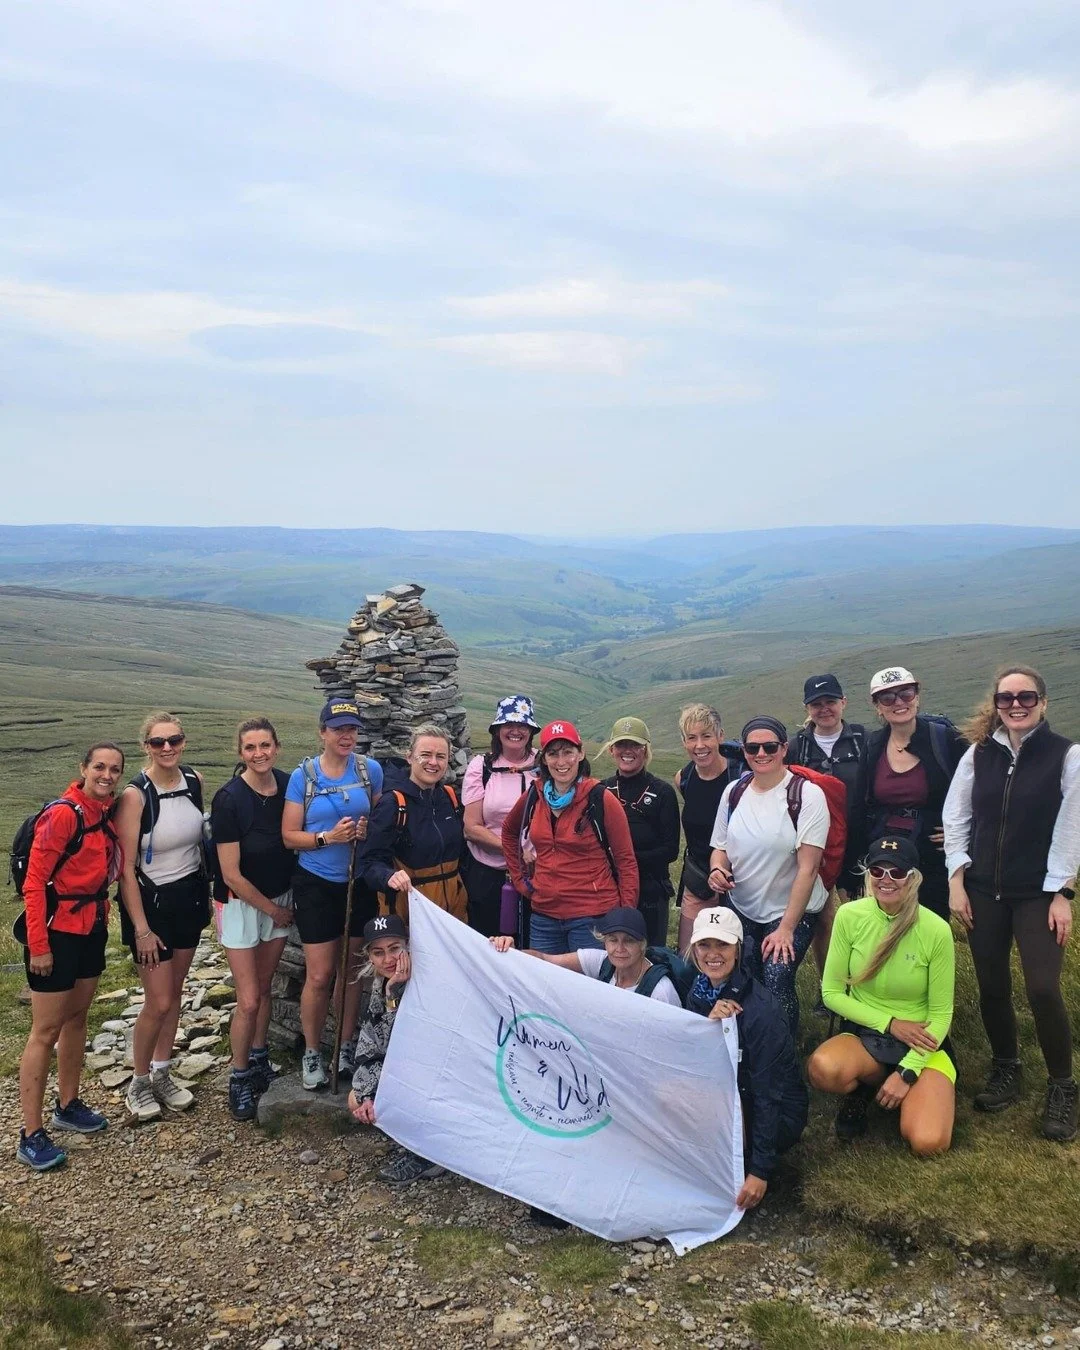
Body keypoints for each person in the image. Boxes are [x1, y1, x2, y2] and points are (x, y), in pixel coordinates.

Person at [944, 665, 1079, 1141]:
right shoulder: (979, 754)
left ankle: (1063, 1086)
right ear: (996, 704)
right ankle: (1007, 1067)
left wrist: (1062, 892)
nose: (1016, 705)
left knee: (1042, 988)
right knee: (992, 985)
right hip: (983, 889)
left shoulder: (1067, 755)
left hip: (1037, 893)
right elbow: (956, 816)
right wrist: (957, 879)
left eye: (1026, 697)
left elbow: (1071, 828)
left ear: (1042, 701)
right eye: (1006, 698)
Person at [808, 836, 956, 1154]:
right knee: (823, 1068)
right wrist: (890, 1023)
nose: (886, 880)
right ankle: (865, 1087)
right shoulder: (849, 916)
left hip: (923, 1043)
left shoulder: (936, 930)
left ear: (913, 878)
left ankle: (907, 1087)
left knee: (928, 1142)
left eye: (897, 872)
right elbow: (831, 993)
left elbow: (942, 1014)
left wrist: (908, 1071)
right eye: (877, 871)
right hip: (868, 1036)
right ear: (868, 875)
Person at [15, 742, 125, 1169]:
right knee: (45, 1031)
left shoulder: (104, 812)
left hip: (91, 927)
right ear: (83, 768)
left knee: (77, 1018)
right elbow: (34, 883)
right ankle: (30, 1134)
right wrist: (39, 946)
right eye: (99, 767)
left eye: (114, 769)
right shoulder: (64, 815)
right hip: (56, 933)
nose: (107, 775)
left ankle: (68, 1105)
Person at [282, 698, 384, 1091]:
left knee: (352, 972)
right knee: (321, 974)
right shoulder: (303, 776)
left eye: (352, 729)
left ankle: (344, 1046)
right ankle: (312, 1052)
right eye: (338, 729)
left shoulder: (369, 770)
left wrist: (366, 832)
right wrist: (329, 837)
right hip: (317, 883)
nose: (346, 736)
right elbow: (289, 836)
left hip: (358, 882)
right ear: (322, 732)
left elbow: (379, 822)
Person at [707, 716, 829, 1036]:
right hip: (743, 903)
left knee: (777, 975)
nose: (761, 754)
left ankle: (782, 1048)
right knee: (745, 974)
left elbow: (809, 868)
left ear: (784, 748)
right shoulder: (734, 792)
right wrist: (717, 869)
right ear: (744, 751)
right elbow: (720, 847)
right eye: (752, 748)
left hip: (790, 908)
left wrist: (786, 929)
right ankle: (748, 1040)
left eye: (770, 747)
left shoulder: (807, 795)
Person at [115, 712, 210, 1121]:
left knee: (176, 992)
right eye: (158, 742)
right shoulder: (135, 796)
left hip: (188, 898)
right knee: (159, 999)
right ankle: (138, 1081)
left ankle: (162, 1072)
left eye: (174, 740)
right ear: (146, 747)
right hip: (150, 907)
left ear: (183, 742)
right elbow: (125, 868)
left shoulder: (194, 781)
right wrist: (141, 930)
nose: (167, 748)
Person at [684, 907, 808, 1211]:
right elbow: (693, 1062)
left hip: (773, 1111)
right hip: (730, 1096)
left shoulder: (762, 1011)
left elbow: (769, 1092)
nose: (713, 954)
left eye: (722, 944)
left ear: (738, 950)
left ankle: (746, 1158)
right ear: (694, 949)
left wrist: (760, 1171)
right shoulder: (698, 992)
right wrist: (709, 1028)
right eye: (704, 944)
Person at [211, 718, 296, 1121]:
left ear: (276, 747)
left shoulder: (288, 785)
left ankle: (260, 1057)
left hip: (280, 896)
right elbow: (230, 873)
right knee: (247, 998)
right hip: (241, 904)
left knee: (264, 987)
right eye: (250, 747)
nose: (259, 754)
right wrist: (274, 910)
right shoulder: (229, 799)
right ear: (240, 752)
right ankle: (239, 1075)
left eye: (265, 745)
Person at [502, 720, 638, 954]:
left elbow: (626, 861)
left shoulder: (601, 798)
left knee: (589, 979)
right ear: (544, 759)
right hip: (544, 917)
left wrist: (625, 918)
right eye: (553, 754)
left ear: (581, 753)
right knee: (543, 977)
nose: (561, 761)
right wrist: (520, 880)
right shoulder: (535, 794)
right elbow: (509, 831)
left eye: (568, 752)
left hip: (593, 917)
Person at [346, 914, 445, 1185]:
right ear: (370, 957)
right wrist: (367, 1094)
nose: (388, 959)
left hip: (438, 1071)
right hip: (410, 1070)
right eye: (378, 953)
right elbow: (373, 1045)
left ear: (408, 946)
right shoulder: (384, 984)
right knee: (358, 1098)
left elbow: (411, 1041)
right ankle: (417, 1146)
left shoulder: (429, 978)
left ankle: (427, 1154)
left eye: (394, 948)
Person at [862, 666, 967, 921]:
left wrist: (963, 834)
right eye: (888, 698)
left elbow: (976, 793)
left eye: (906, 694)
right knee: (886, 925)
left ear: (917, 697)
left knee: (930, 923)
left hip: (933, 853)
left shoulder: (947, 740)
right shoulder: (873, 745)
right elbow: (860, 806)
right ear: (878, 706)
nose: (899, 702)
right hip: (886, 855)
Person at [786, 674, 867, 989]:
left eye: (830, 701)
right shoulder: (796, 747)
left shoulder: (865, 740)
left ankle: (864, 985)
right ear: (807, 708)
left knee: (864, 917)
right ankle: (829, 988)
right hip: (816, 847)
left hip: (859, 843)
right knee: (824, 919)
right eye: (816, 704)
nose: (824, 709)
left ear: (843, 702)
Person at [361, 723, 469, 928]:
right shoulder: (393, 803)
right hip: (409, 912)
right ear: (409, 757)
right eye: (425, 755)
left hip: (454, 913)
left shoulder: (450, 798)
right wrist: (388, 876)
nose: (433, 762)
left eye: (441, 756)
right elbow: (370, 862)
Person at [461, 696, 539, 938]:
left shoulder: (544, 764)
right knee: (487, 941)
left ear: (531, 731)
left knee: (532, 942)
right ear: (497, 730)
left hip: (537, 874)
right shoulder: (481, 766)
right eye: (508, 725)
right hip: (488, 876)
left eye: (522, 725)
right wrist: (517, 852)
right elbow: (471, 828)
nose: (516, 731)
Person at [600, 716, 681, 947]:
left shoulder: (663, 792)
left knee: (651, 955)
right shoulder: (600, 789)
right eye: (621, 744)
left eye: (635, 745)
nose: (628, 751)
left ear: (645, 750)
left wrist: (626, 860)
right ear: (612, 750)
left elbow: (670, 850)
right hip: (608, 889)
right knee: (609, 953)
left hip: (651, 892)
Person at [501, 907, 682, 1004]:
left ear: (642, 945)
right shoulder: (602, 961)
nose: (619, 948)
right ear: (604, 942)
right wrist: (509, 950)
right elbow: (545, 959)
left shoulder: (661, 991)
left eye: (629, 941)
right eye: (613, 940)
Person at [673, 704, 743, 951]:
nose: (699, 745)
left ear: (720, 736)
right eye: (692, 738)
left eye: (706, 736)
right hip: (699, 881)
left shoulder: (740, 778)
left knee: (734, 953)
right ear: (684, 742)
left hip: (739, 882)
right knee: (688, 954)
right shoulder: (684, 778)